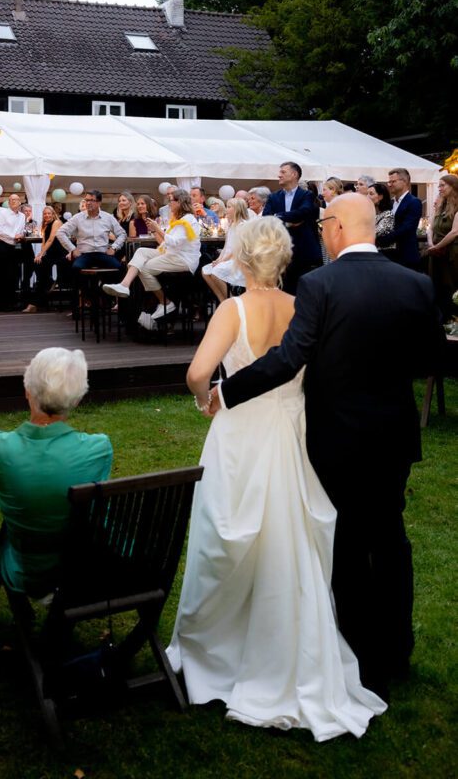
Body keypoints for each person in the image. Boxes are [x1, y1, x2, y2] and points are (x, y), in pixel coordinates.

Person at [206, 194, 445, 700]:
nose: (322, 230)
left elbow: (290, 359)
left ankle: (358, 652)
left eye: (323, 223)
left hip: (337, 434)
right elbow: (429, 357)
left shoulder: (320, 284)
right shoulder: (417, 283)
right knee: (391, 538)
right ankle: (396, 649)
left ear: (336, 227)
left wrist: (228, 390)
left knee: (349, 544)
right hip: (395, 435)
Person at [168, 215, 386, 740]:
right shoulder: (302, 306)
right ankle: (282, 642)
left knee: (227, 531)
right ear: (283, 259)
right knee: (286, 537)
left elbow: (199, 373)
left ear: (241, 259)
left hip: (240, 431)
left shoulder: (232, 308)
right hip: (291, 433)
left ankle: (218, 644)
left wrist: (207, 398)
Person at [0, 348, 113, 597]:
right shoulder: (99, 448)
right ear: (76, 400)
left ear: (26, 391)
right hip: (87, 569)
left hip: (27, 572)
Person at [103, 188, 200, 325]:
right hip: (172, 254)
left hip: (182, 259)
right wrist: (156, 230)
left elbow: (174, 242)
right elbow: (169, 243)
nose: (169, 204)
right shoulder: (179, 219)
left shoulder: (188, 220)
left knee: (145, 268)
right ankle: (124, 285)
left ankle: (165, 302)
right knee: (141, 251)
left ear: (180, 202)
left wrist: (157, 228)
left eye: (171, 200)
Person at [263, 161, 322, 294]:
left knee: (304, 293)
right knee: (283, 292)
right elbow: (266, 219)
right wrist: (288, 221)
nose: (279, 175)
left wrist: (277, 217)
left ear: (294, 174)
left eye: (283, 172)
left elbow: (303, 213)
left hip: (303, 253)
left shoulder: (307, 195)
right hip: (280, 253)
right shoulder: (273, 197)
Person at [57, 189, 126, 270]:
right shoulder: (78, 217)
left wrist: (114, 247)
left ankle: (105, 283)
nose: (88, 203)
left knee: (119, 268)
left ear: (99, 203)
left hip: (103, 253)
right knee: (75, 268)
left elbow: (122, 234)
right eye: (87, 200)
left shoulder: (108, 218)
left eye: (92, 200)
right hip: (84, 254)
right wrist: (73, 249)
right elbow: (60, 232)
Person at [201, 198, 249, 303]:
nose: (226, 209)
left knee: (216, 272)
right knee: (205, 271)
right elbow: (226, 247)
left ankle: (231, 301)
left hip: (237, 260)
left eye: (229, 207)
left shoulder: (242, 225)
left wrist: (222, 261)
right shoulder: (231, 225)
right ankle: (222, 300)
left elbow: (237, 249)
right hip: (227, 259)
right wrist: (218, 260)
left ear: (237, 209)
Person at [425, 174, 458, 321]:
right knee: (436, 285)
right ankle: (441, 318)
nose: (439, 188)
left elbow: (455, 232)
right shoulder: (441, 204)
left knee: (450, 285)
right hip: (437, 252)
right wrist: (431, 244)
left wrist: (437, 246)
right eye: (438, 185)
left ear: (453, 186)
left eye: (442, 185)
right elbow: (430, 227)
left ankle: (453, 318)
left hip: (451, 253)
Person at [23, 206, 67, 312]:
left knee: (42, 270)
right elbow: (43, 241)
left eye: (49, 213)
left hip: (60, 253)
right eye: (45, 214)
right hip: (51, 253)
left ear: (53, 214)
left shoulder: (57, 222)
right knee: (38, 264)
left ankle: (35, 303)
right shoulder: (44, 225)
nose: (47, 215)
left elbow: (51, 239)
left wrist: (41, 253)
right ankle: (49, 283)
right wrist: (40, 255)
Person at [378, 168, 422, 268]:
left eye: (393, 181)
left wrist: (383, 240)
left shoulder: (414, 202)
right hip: (389, 255)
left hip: (405, 254)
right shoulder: (391, 203)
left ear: (405, 181)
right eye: (389, 182)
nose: (389, 185)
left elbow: (407, 228)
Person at [0, 193, 26, 311]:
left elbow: (21, 229)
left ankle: (11, 302)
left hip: (12, 247)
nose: (14, 201)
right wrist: (13, 236)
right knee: (0, 275)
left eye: (16, 200)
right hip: (0, 245)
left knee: (12, 274)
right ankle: (0, 304)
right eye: (11, 200)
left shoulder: (22, 216)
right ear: (8, 202)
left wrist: (21, 235)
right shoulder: (3, 213)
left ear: (20, 202)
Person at [319, 178, 344, 264]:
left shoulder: (338, 206)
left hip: (334, 248)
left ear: (333, 190)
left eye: (324, 190)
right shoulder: (336, 205)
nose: (322, 193)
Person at [368, 183, 395, 249]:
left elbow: (374, 233)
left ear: (380, 197)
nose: (367, 196)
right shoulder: (369, 214)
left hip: (383, 254)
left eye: (371, 194)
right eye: (367, 194)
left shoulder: (388, 215)